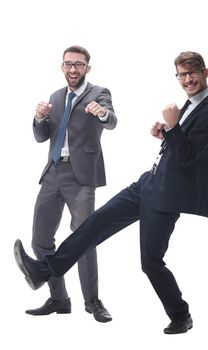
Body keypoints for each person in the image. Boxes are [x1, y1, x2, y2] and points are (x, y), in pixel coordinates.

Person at [14, 51, 208, 334]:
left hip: (167, 197)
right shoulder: (191, 104)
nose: (187, 80)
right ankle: (43, 271)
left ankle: (180, 315)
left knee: (150, 262)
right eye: (182, 75)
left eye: (192, 73)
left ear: (205, 73)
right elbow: (182, 148)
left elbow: (190, 159)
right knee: (94, 224)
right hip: (148, 184)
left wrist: (172, 127)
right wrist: (167, 134)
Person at [22, 45, 117, 322]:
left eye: (79, 64)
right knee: (40, 239)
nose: (73, 69)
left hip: (81, 176)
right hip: (52, 173)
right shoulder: (55, 96)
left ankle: (93, 301)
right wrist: (39, 118)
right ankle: (59, 298)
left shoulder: (99, 93)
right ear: (62, 67)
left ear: (88, 67)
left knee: (84, 236)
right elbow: (42, 136)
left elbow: (111, 121)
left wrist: (100, 112)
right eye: (68, 64)